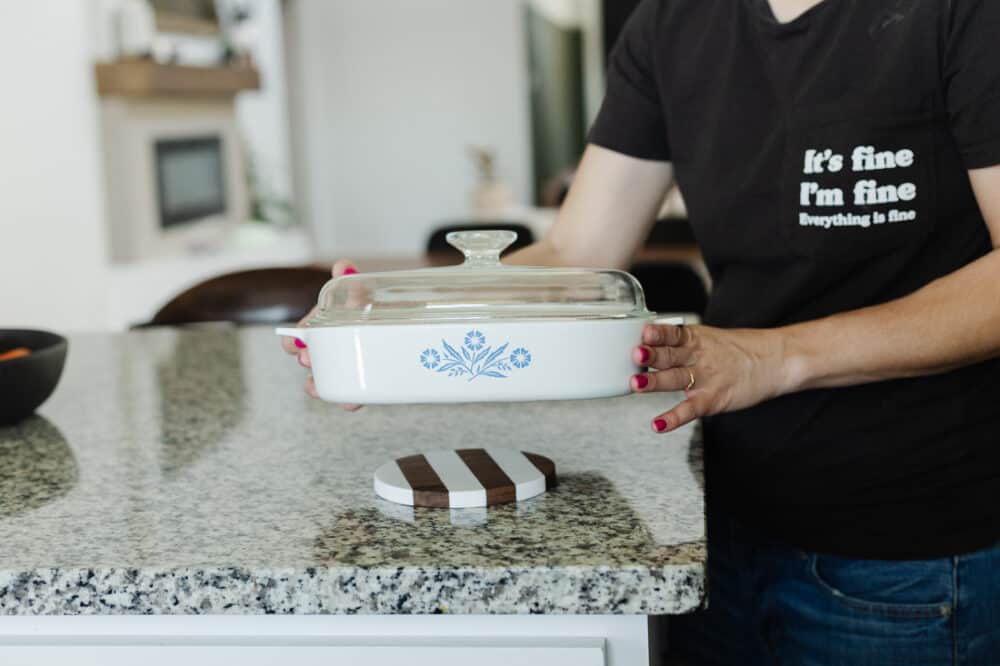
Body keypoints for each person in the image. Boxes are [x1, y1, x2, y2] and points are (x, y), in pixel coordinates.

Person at [283, 0, 1000, 662]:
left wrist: (772, 358)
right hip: (720, 514)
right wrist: (399, 323)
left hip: (909, 548)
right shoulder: (673, 21)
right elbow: (578, 254)